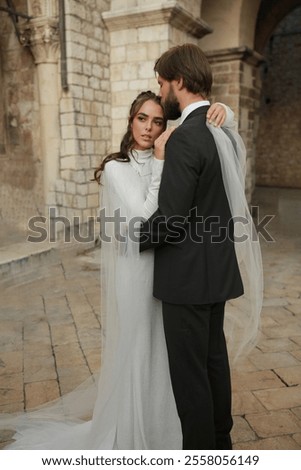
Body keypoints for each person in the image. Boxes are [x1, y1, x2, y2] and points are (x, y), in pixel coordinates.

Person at [1, 91, 233, 449]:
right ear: (130, 120)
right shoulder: (116, 168)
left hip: (170, 269)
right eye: (143, 118)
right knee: (142, 349)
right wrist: (159, 161)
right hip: (137, 272)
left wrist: (225, 112)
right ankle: (137, 432)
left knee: (169, 353)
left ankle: (168, 429)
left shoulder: (173, 156)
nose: (150, 128)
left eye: (158, 122)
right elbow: (142, 218)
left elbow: (190, 192)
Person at [140, 44, 263, 450]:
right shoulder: (217, 129)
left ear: (178, 80)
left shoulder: (185, 138)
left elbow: (172, 219)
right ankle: (220, 444)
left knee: (190, 377)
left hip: (186, 279)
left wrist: (133, 238)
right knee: (213, 364)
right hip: (215, 274)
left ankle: (200, 453)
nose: (160, 94)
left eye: (161, 83)